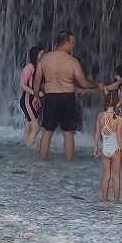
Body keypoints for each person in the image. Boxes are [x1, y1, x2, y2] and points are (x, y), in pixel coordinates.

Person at [33, 30, 99, 161]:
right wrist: (97, 85)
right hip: (67, 98)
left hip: (50, 97)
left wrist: (36, 96)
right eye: (72, 42)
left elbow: (37, 81)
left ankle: (42, 162)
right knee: (68, 134)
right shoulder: (72, 61)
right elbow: (84, 83)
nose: (73, 45)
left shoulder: (44, 59)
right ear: (66, 42)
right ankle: (69, 163)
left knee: (47, 132)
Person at [93, 91, 122, 203]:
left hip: (105, 150)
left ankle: (104, 198)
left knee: (106, 175)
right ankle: (117, 200)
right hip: (115, 150)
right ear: (117, 104)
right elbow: (118, 138)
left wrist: (95, 147)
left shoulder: (100, 116)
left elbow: (97, 133)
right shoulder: (118, 119)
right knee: (116, 177)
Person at [19, 46, 44, 148]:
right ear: (35, 56)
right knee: (36, 128)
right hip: (27, 101)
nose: (44, 56)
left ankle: (24, 146)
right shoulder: (29, 67)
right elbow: (22, 84)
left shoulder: (40, 68)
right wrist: (35, 93)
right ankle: (29, 149)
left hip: (32, 101)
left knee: (28, 127)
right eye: (41, 54)